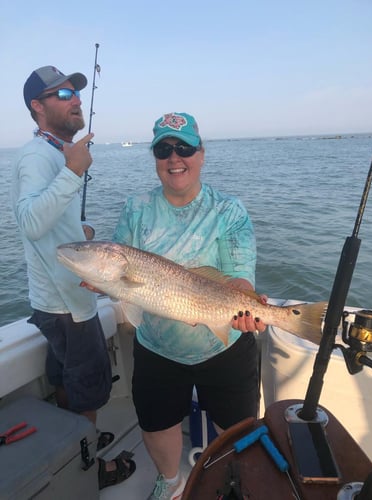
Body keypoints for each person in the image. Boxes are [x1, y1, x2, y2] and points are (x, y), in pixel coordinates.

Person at [112, 112, 266, 499]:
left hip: (224, 343)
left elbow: (238, 277)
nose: (174, 158)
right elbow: (119, 278)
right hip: (157, 346)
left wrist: (246, 306)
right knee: (156, 421)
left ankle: (231, 483)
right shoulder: (136, 209)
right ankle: (172, 483)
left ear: (201, 153)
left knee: (238, 428)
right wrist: (102, 280)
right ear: (154, 156)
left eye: (184, 148)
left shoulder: (228, 210)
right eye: (164, 149)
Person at [11, 65, 135, 490]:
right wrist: (73, 171)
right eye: (62, 94)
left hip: (59, 301)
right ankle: (89, 468)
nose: (75, 99)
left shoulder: (52, 151)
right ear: (38, 107)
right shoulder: (38, 156)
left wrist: (78, 233)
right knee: (89, 392)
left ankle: (71, 444)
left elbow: (47, 222)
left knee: (66, 381)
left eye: (75, 93)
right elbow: (28, 221)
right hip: (68, 307)